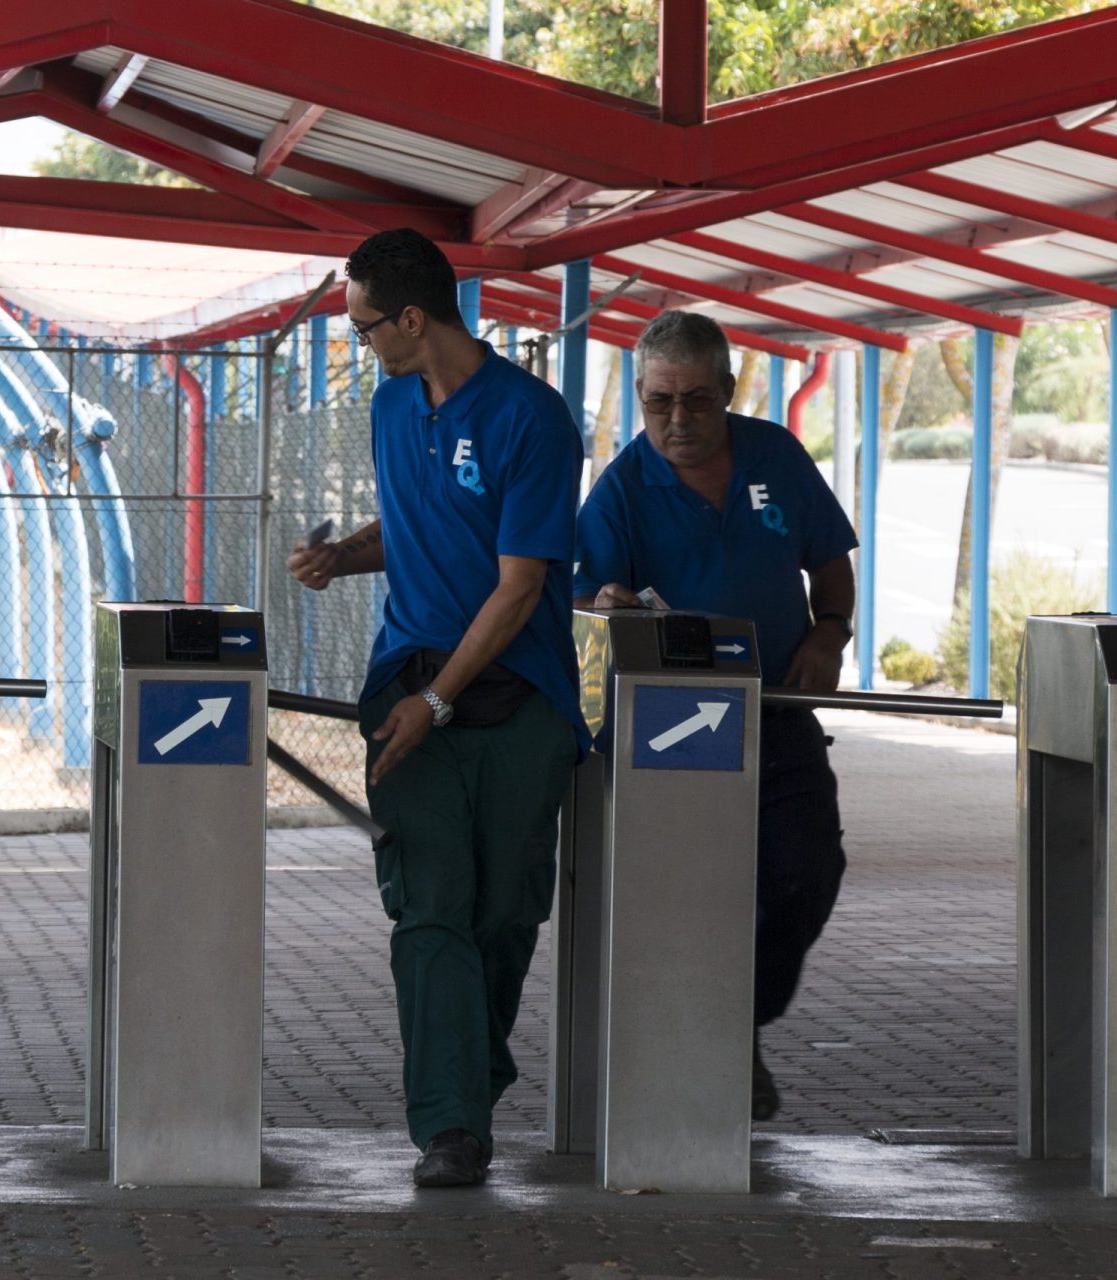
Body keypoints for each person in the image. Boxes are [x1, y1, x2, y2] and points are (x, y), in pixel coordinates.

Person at [286, 228, 587, 1188]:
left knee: (504, 912)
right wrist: (345, 556)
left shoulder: (533, 420)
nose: (360, 342)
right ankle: (451, 1126)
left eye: (366, 325)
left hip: (514, 696)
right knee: (430, 910)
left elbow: (518, 587)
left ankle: (471, 1069)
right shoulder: (389, 408)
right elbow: (419, 526)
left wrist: (438, 703)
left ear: (413, 319)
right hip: (405, 679)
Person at [572, 311, 856, 1122]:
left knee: (808, 868)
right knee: (687, 892)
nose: (677, 421)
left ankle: (738, 1019)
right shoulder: (623, 487)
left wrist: (830, 635)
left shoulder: (775, 455)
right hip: (676, 727)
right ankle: (693, 1047)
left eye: (697, 401)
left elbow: (830, 566)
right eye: (659, 402)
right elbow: (586, 599)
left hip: (779, 712)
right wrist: (605, 603)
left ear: (729, 392)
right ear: (639, 396)